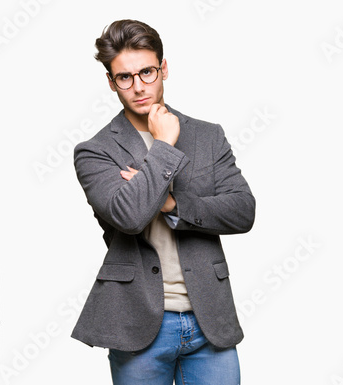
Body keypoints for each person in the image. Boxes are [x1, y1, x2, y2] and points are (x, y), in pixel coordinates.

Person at [71, 19, 255, 385]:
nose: (138, 86)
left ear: (164, 68)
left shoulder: (207, 135)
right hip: (138, 322)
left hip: (210, 318)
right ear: (111, 82)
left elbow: (242, 211)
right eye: (124, 77)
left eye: (147, 72)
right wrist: (164, 145)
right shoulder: (95, 151)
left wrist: (172, 205)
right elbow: (129, 216)